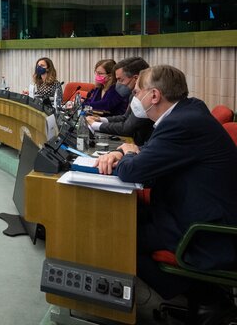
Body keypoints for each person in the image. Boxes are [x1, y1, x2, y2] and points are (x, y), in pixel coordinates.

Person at [95, 65, 237, 309]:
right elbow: (148, 155)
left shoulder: (182, 124)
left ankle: (204, 297)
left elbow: (133, 170)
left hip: (206, 231)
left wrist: (127, 152)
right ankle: (202, 295)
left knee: (116, 236)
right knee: (128, 216)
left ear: (154, 96)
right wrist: (131, 153)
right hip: (192, 208)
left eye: (137, 92)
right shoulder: (188, 111)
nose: (134, 98)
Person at [87, 56, 154, 145]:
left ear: (136, 78)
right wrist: (100, 119)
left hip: (142, 145)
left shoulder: (145, 98)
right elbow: (125, 117)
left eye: (120, 80)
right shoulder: (133, 95)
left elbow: (127, 128)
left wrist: (94, 125)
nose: (117, 84)